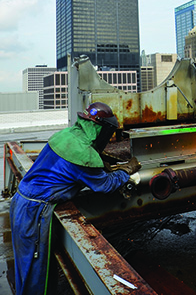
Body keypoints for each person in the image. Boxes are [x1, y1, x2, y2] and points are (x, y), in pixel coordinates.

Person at [9, 101, 140, 295]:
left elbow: (70, 164)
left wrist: (102, 161)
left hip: (21, 202)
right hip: (33, 213)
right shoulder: (83, 154)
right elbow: (104, 185)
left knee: (25, 267)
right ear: (101, 129)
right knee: (35, 274)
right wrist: (125, 172)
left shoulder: (67, 134)